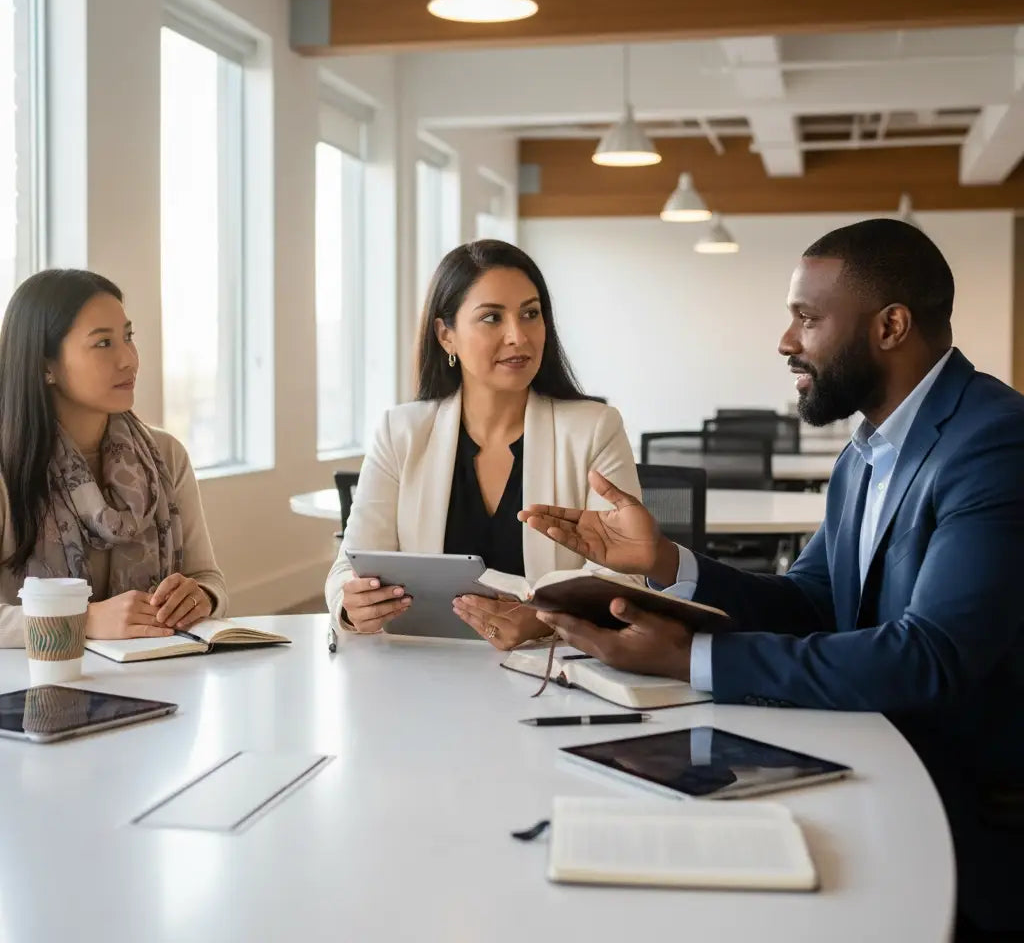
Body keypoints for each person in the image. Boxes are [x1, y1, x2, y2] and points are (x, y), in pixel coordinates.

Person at [520, 218, 1024, 936]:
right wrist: (664, 563)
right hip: (871, 754)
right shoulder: (866, 452)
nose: (786, 341)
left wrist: (692, 659)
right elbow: (810, 601)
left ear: (890, 326)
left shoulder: (995, 441)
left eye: (807, 319)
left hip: (963, 815)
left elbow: (931, 656)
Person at [325, 239, 641, 649]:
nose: (518, 336)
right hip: (426, 664)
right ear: (446, 335)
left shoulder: (594, 428)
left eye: (530, 314)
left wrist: (542, 622)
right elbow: (346, 571)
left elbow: (625, 577)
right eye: (492, 317)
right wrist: (353, 606)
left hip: (549, 666)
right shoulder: (401, 432)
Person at [0, 270, 227, 648]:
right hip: (39, 678)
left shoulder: (165, 455)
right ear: (45, 365)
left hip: (160, 671)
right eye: (103, 343)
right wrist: (81, 619)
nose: (129, 360)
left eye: (128, 337)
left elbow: (207, 577)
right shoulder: (8, 467)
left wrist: (201, 597)